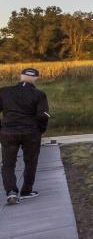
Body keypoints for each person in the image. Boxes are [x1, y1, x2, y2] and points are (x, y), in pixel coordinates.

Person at [0, 68, 50, 205]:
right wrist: (41, 130)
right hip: (31, 132)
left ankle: (11, 192)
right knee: (31, 161)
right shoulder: (39, 94)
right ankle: (27, 191)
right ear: (36, 79)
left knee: (8, 164)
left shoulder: (4, 92)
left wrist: (2, 128)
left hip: (8, 132)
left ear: (20, 76)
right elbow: (42, 115)